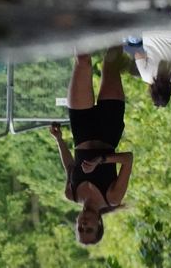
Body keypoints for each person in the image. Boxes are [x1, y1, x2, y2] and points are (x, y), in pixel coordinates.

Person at [51, 48, 132, 245]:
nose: (84, 224)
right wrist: (101, 159)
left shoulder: (71, 193)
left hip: (82, 128)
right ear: (99, 224)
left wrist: (59, 139)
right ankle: (119, 19)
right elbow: (128, 159)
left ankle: (81, 21)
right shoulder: (112, 198)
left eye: (80, 228)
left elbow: (70, 167)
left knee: (83, 60)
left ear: (76, 223)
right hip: (109, 126)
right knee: (111, 60)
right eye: (89, 229)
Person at [125, 32, 171, 107]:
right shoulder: (147, 77)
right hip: (149, 30)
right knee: (131, 42)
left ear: (169, 92)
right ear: (152, 92)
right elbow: (137, 54)